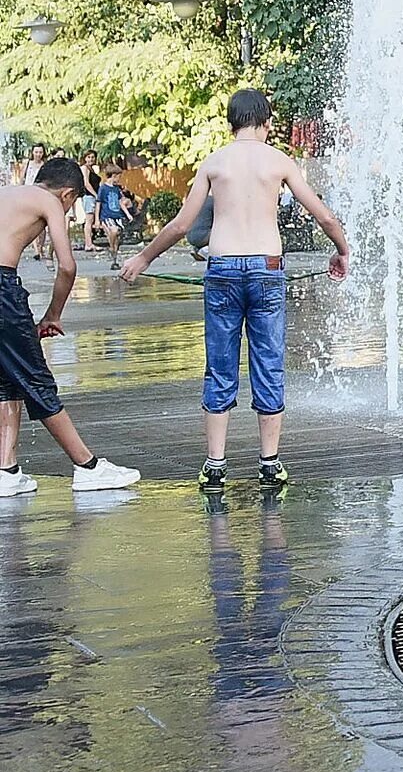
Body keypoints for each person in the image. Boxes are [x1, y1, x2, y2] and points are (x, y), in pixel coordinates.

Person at [121, 89, 349, 491]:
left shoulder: (214, 162)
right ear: (266, 122)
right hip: (267, 268)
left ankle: (215, 465)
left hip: (223, 268)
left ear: (231, 123)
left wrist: (142, 259)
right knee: (268, 362)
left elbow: (180, 225)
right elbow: (324, 215)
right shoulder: (279, 161)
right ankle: (269, 462)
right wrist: (342, 251)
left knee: (220, 364)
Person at [0, 158, 142, 495]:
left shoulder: (9, 193)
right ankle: (88, 466)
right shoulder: (49, 201)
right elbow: (67, 267)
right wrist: (53, 315)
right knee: (37, 379)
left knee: (7, 380)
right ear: (67, 194)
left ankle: (6, 470)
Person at [94, 164, 132, 269]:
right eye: (119, 176)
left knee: (118, 238)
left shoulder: (116, 189)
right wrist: (97, 219)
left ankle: (114, 260)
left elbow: (120, 202)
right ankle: (111, 248)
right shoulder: (103, 188)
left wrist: (128, 214)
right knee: (113, 231)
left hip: (117, 216)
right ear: (114, 175)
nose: (120, 179)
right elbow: (98, 203)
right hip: (107, 216)